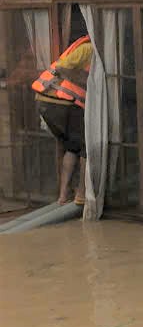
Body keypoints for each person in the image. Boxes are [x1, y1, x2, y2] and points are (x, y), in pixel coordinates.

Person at [30, 32, 93, 207]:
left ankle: (63, 197)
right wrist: (89, 81)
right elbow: (63, 68)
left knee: (72, 147)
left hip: (50, 103)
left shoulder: (88, 48)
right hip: (59, 102)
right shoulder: (88, 49)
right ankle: (81, 195)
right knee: (86, 146)